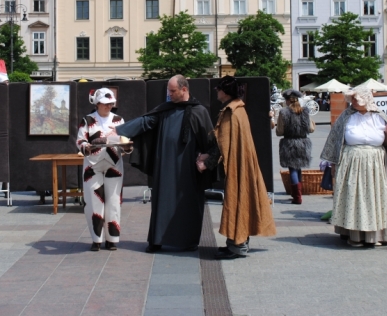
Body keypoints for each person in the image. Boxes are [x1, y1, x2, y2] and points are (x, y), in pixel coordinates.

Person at [119, 75, 218, 253]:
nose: (169, 95)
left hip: (188, 169)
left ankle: (188, 241)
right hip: (165, 165)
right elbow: (145, 121)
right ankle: (157, 240)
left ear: (184, 90)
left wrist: (208, 160)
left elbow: (210, 142)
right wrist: (119, 131)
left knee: (188, 204)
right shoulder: (165, 109)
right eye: (168, 91)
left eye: (172, 91)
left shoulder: (199, 111)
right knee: (161, 201)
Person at [320, 87, 387, 248]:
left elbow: (386, 143)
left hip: (375, 162)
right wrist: (334, 163)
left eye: (357, 99)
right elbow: (336, 140)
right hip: (352, 161)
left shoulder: (380, 117)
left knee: (375, 197)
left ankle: (375, 235)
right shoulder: (346, 116)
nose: (353, 102)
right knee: (355, 197)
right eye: (353, 99)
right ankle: (354, 235)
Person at [206, 76, 276, 259]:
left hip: (238, 165)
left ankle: (238, 246)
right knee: (240, 200)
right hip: (243, 163)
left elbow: (223, 141)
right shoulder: (238, 109)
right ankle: (235, 243)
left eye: (219, 89)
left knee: (238, 201)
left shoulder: (232, 111)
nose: (216, 92)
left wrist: (207, 161)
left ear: (225, 91)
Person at [76, 87, 126, 251]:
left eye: (110, 103)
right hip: (93, 164)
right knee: (92, 202)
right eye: (105, 103)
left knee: (113, 202)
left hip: (114, 164)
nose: (108, 106)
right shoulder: (88, 120)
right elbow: (80, 141)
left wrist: (127, 147)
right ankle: (96, 239)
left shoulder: (118, 120)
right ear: (97, 103)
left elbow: (125, 141)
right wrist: (87, 146)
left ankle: (113, 239)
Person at [272, 89, 315, 205]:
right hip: (303, 142)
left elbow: (279, 131)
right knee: (298, 168)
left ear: (287, 101)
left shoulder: (283, 112)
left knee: (292, 169)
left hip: (289, 143)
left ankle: (297, 197)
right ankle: (298, 194)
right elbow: (311, 129)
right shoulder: (305, 111)